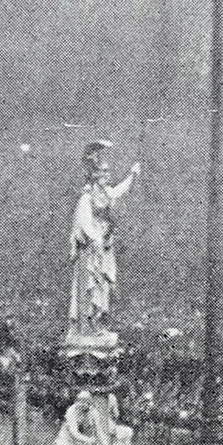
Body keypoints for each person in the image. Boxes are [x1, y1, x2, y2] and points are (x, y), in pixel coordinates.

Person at [68, 140, 141, 336]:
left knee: (103, 289)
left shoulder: (106, 193)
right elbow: (83, 223)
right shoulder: (86, 198)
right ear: (96, 176)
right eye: (105, 174)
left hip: (104, 248)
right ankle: (88, 326)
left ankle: (99, 323)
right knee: (90, 288)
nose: (108, 177)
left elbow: (119, 191)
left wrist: (132, 174)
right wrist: (95, 239)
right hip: (91, 251)